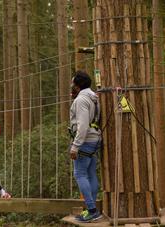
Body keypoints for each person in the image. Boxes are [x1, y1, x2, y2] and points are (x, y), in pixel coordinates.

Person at [69, 71, 102, 222]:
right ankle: (93, 209)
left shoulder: (82, 100)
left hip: (85, 140)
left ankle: (92, 210)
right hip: (95, 139)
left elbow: (82, 126)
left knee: (80, 174)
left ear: (78, 85)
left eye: (73, 83)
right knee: (90, 173)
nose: (71, 86)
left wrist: (75, 146)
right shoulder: (93, 97)